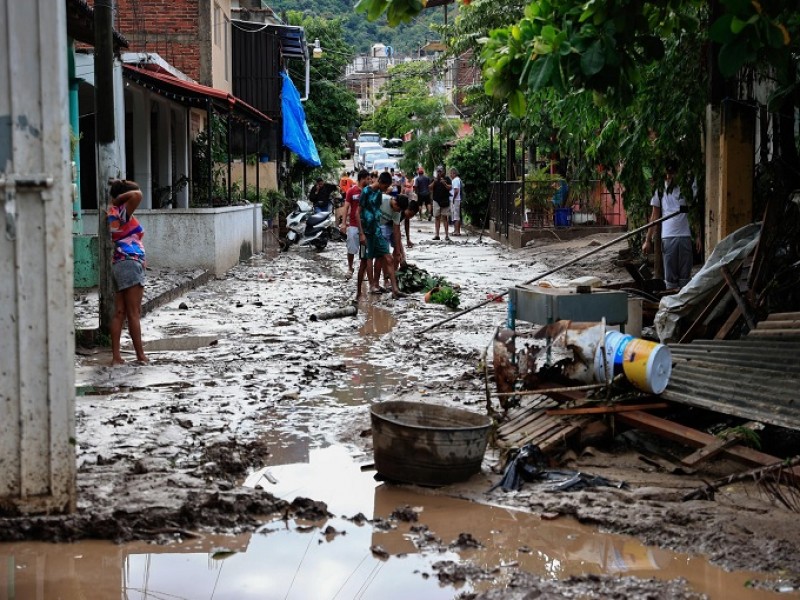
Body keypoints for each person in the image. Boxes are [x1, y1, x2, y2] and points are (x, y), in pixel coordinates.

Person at [107, 179, 148, 366]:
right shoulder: (122, 211)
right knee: (133, 312)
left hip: (119, 262)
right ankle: (140, 355)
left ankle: (116, 357)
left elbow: (135, 192)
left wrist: (119, 185)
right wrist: (118, 197)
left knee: (120, 312)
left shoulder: (114, 213)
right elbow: (138, 193)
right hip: (130, 263)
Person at [642, 160, 701, 290]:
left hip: (685, 236)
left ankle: (684, 306)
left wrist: (698, 236)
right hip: (668, 238)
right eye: (667, 174)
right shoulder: (660, 189)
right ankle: (671, 304)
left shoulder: (685, 189)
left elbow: (693, 213)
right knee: (670, 279)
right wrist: (647, 240)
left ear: (677, 173)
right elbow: (655, 216)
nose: (669, 177)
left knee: (685, 278)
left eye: (672, 174)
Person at [359, 171, 404, 299]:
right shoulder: (366, 191)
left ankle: (394, 289)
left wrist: (399, 250)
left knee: (388, 258)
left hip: (376, 231)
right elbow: (358, 213)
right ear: (381, 182)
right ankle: (368, 288)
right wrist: (361, 233)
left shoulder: (379, 194)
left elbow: (377, 214)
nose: (386, 189)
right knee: (366, 260)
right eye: (385, 187)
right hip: (365, 232)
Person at [374, 193, 410, 288]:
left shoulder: (397, 212)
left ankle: (386, 282)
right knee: (370, 258)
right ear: (396, 204)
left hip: (382, 228)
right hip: (371, 226)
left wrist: (398, 252)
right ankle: (375, 283)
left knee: (384, 257)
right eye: (398, 209)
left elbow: (397, 232)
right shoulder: (382, 199)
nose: (398, 212)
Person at [341, 169, 369, 280]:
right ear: (362, 179)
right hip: (353, 224)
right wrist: (343, 223)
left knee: (364, 248)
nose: (369, 180)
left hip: (365, 224)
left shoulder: (368, 191)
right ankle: (350, 267)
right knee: (351, 248)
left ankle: (363, 269)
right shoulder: (351, 191)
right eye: (367, 179)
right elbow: (346, 207)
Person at [430, 165, 452, 241]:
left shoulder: (447, 178)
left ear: (443, 171)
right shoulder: (434, 179)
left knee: (445, 218)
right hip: (436, 200)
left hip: (445, 201)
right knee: (437, 218)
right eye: (438, 171)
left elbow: (450, 188)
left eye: (440, 171)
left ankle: (446, 235)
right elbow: (429, 188)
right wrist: (434, 182)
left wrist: (444, 184)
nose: (439, 172)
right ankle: (437, 235)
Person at [449, 167, 463, 236]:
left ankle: (457, 231)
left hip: (455, 200)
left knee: (456, 216)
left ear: (454, 173)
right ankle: (456, 230)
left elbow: (456, 190)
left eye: (451, 174)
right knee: (455, 215)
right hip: (456, 199)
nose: (450, 175)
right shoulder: (457, 180)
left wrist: (453, 199)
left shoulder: (455, 180)